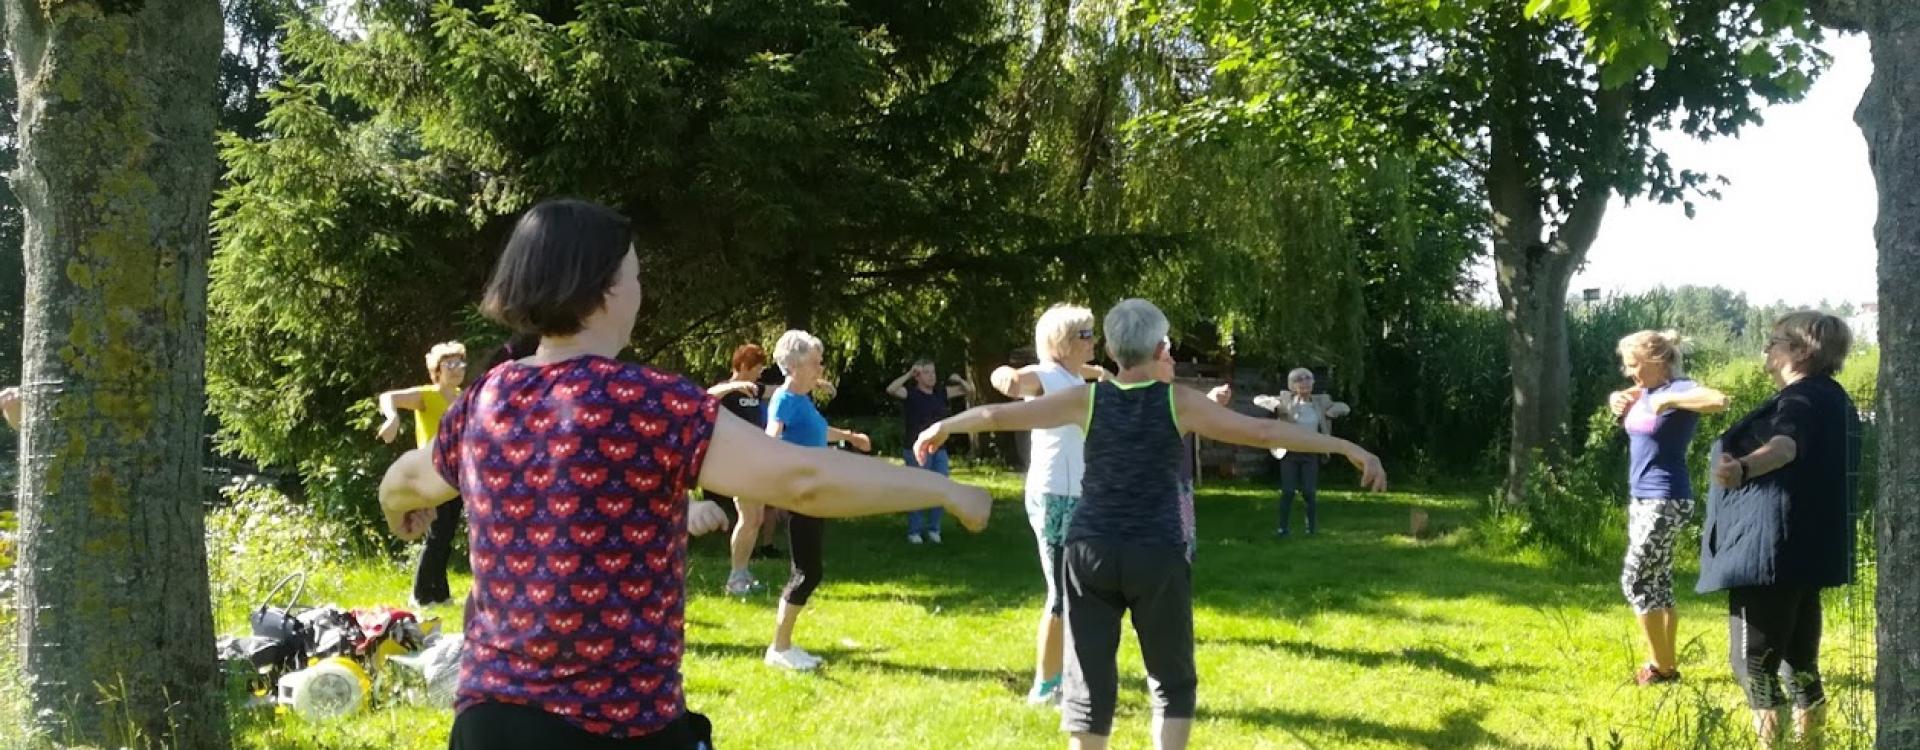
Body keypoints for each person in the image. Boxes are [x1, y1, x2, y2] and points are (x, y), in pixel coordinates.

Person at [377, 199, 991, 749]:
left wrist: (396, 509)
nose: (641, 292)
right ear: (604, 290)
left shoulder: (489, 399)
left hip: (491, 727)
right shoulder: (649, 404)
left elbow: (406, 479)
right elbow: (803, 481)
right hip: (616, 727)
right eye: (636, 277)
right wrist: (946, 487)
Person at [922, 299, 1387, 750]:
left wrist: (942, 427)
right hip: (1156, 554)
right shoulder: (1177, 402)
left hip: (1090, 553)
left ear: (1109, 351)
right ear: (1161, 348)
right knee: (1172, 679)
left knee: (1088, 683)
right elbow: (1264, 432)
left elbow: (998, 415)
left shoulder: (1086, 399)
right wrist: (1347, 448)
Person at [1697, 311, 1860, 750]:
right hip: (1806, 549)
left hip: (1770, 553)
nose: (1766, 350)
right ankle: (1811, 747)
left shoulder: (1800, 399)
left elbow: (1785, 446)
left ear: (1801, 350)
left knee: (1753, 665)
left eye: (1774, 342)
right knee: (1799, 665)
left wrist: (1744, 467)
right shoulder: (1833, 397)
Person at [989, 303, 1107, 706]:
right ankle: (1044, 685)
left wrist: (1101, 374)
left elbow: (1092, 374)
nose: (1095, 340)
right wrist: (1005, 376)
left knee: (1082, 591)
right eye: (1087, 335)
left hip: (1079, 494)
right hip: (1054, 495)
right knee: (1060, 594)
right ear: (1063, 343)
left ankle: (1069, 677)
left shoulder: (1075, 375)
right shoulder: (1045, 377)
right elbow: (1014, 381)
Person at [1606, 330, 1729, 686]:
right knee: (1658, 582)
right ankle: (1666, 666)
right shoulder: (1647, 389)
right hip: (1642, 498)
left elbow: (1718, 400)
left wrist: (1671, 403)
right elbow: (1632, 393)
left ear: (1657, 362)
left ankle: (1660, 668)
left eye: (1634, 365)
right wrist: (1618, 397)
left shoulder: (1677, 389)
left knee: (1636, 579)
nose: (1629, 372)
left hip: (1666, 498)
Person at [763, 329, 874, 671]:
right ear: (794, 366)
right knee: (806, 572)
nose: (820, 368)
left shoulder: (801, 399)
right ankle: (779, 649)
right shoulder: (784, 400)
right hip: (800, 495)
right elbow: (771, 439)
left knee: (810, 571)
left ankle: (785, 646)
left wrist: (850, 437)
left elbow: (817, 432)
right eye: (814, 362)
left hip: (814, 493)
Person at [376, 340, 471, 607]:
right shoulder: (427, 395)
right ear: (436, 370)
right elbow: (388, 397)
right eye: (449, 364)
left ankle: (439, 594)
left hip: (457, 477)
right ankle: (420, 594)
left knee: (446, 535)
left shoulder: (463, 397)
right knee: (437, 534)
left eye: (460, 363)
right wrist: (392, 418)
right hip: (432, 475)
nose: (456, 369)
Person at [706, 344, 775, 595]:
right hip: (737, 462)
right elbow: (707, 396)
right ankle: (735, 578)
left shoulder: (755, 389)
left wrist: (815, 382)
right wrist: (732, 386)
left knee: (755, 518)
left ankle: (743, 573)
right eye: (757, 368)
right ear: (744, 366)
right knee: (747, 518)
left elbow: (780, 390)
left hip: (754, 461)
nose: (760, 373)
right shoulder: (728, 391)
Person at [1251, 369, 1351, 537]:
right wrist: (1275, 406)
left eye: (1308, 379)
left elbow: (1345, 407)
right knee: (1288, 491)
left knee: (1309, 493)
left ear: (1313, 383)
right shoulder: (1286, 399)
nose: (1304, 383)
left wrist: (1330, 413)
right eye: (1299, 380)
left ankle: (1311, 530)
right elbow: (1258, 399)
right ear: (1292, 385)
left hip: (1311, 452)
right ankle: (1283, 530)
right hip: (1289, 452)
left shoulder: (1321, 401)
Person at [886, 359, 975, 544]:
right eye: (926, 372)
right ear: (918, 376)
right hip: (916, 450)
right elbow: (891, 389)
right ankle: (914, 532)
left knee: (941, 488)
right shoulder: (911, 394)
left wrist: (959, 379)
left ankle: (934, 529)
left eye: (933, 372)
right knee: (918, 490)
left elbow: (970, 391)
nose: (932, 376)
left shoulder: (940, 393)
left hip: (939, 448)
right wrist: (909, 374)